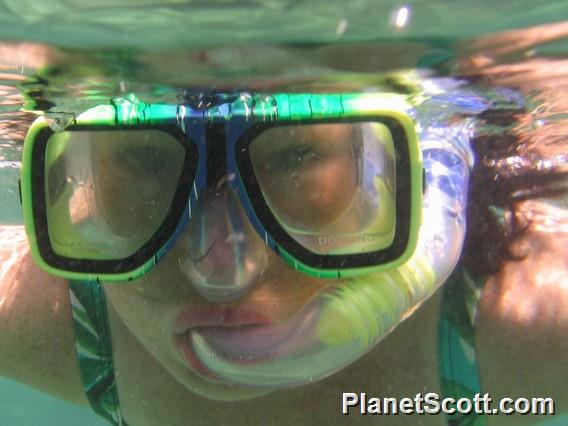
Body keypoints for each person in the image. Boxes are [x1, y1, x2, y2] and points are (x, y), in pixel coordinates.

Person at [1, 34, 567, 426]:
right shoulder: (34, 314)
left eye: (294, 160)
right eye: (147, 164)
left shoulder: (523, 316)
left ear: (411, 181)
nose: (219, 271)